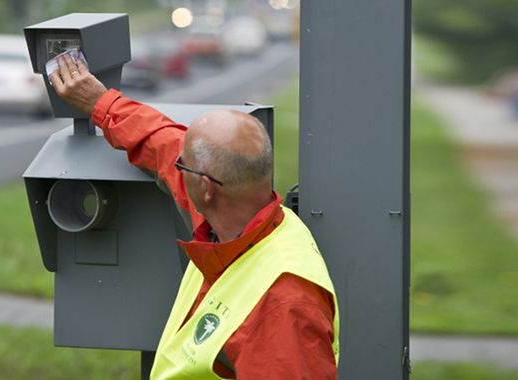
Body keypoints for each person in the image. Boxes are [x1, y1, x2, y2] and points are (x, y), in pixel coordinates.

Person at [50, 54, 339, 379]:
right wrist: (101, 103)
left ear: (205, 188)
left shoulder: (283, 306)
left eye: (182, 164)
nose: (176, 165)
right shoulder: (230, 216)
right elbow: (163, 142)